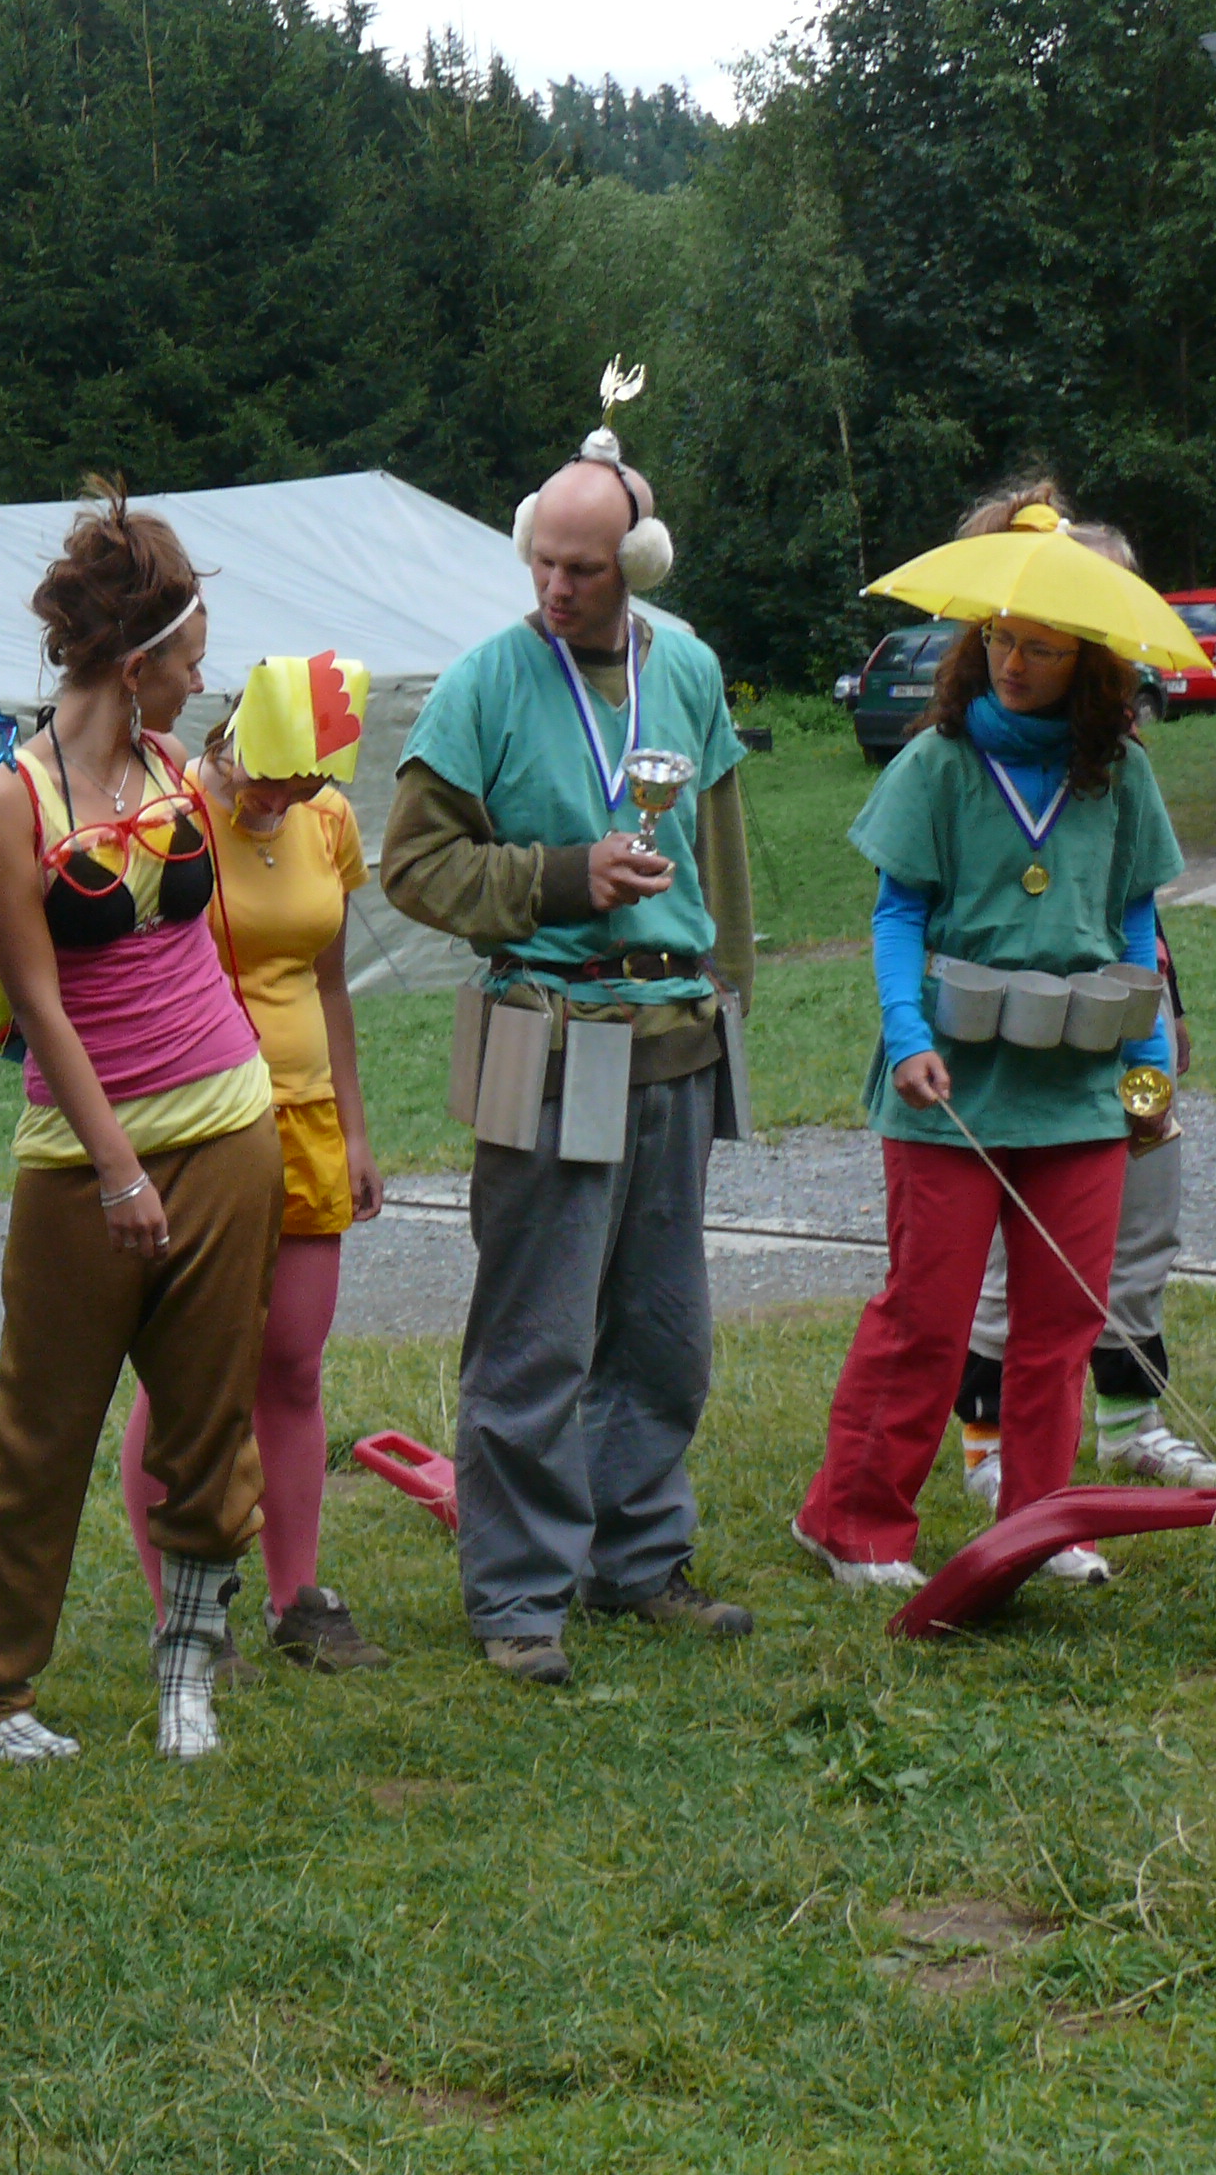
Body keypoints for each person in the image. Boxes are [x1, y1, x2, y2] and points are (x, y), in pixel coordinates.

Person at [379, 422, 756, 1686]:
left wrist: (730, 993)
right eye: (542, 560)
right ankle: (519, 1595)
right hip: (548, 1044)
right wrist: (560, 877)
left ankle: (637, 1560)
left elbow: (719, 854)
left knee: (665, 1333)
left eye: (583, 569)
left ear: (635, 566)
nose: (555, 586)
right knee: (536, 1337)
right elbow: (414, 866)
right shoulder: (484, 682)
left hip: (674, 1042)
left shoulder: (687, 668)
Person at [788, 488, 1181, 1592]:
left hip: (1080, 1085)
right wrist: (906, 1034)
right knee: (928, 1314)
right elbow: (895, 915)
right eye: (1002, 639)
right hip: (949, 1083)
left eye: (1042, 648)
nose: (1014, 663)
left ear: (1087, 661)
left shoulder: (1123, 775)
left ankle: (1041, 1527)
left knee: (1062, 1323)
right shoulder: (937, 762)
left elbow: (1136, 922)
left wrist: (1148, 1068)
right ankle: (852, 1522)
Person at [0, 493, 282, 1766]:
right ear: (135, 663)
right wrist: (120, 1170)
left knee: (209, 1419)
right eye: (191, 660)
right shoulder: (6, 801)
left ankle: (188, 1669)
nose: (202, 682)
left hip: (231, 1122)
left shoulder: (178, 771)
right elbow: (37, 1003)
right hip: (87, 1160)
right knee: (44, 1426)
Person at [950, 525, 1216, 1507]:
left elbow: (1137, 914)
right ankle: (987, 1444)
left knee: (1144, 1220)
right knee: (1016, 1247)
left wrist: (1163, 1031)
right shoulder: (979, 755)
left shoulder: (1120, 755)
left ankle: (1131, 1424)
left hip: (1128, 1026)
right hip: (1022, 1043)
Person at [118, 655, 390, 1672]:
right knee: (189, 1370)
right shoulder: (172, 812)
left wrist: (354, 1130)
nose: (289, 798)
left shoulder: (328, 823)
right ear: (237, 742)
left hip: (307, 1116)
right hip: (205, 1117)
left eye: (312, 781)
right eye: (278, 778)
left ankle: (295, 1597)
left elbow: (330, 983)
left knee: (293, 1363)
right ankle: (180, 1611)